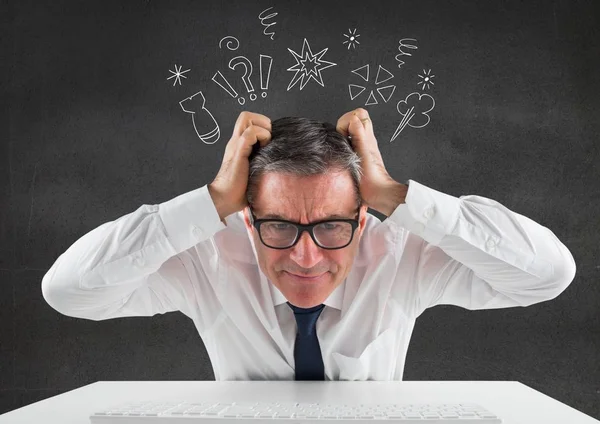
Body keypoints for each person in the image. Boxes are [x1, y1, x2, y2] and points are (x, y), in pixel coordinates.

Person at [41, 109, 576, 381]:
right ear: (246, 219)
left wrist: (399, 195)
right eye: (279, 227)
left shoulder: (403, 253)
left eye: (330, 227)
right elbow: (68, 291)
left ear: (364, 218)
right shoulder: (208, 258)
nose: (305, 256)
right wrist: (206, 204)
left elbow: (547, 274)